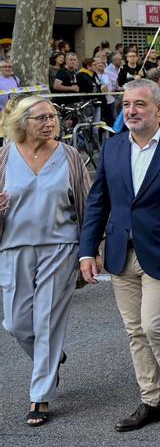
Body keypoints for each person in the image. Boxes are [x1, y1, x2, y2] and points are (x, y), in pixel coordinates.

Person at [80, 79, 160, 432]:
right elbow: (98, 203)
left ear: (158, 109)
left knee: (154, 325)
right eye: (126, 104)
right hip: (120, 253)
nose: (130, 111)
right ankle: (150, 399)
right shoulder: (114, 147)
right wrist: (87, 249)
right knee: (135, 331)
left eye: (139, 104)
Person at [0, 98, 91, 426]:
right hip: (13, 247)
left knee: (48, 320)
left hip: (60, 246)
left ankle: (40, 395)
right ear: (23, 122)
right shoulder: (5, 156)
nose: (50, 122)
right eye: (41, 118)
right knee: (15, 322)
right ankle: (50, 354)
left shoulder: (69, 156)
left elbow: (85, 203)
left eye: (53, 116)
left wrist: (88, 252)